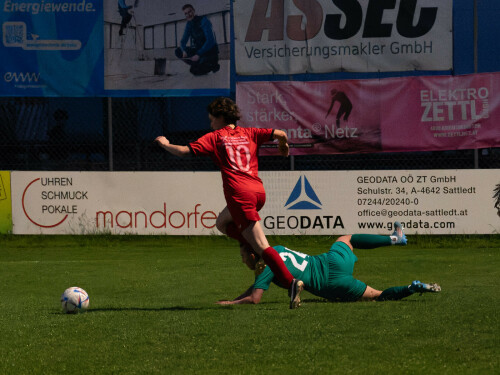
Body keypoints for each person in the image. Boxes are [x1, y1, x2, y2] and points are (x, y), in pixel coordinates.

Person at [155, 97, 304, 309]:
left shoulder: (216, 137)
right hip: (257, 191)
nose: (210, 124)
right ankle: (250, 246)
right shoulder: (250, 132)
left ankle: (291, 283)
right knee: (221, 223)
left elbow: (183, 151)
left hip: (239, 194)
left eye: (211, 119)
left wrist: (165, 143)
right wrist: (284, 145)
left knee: (263, 246)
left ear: (220, 118)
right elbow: (281, 134)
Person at [217, 222, 441, 306]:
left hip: (332, 284)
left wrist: (230, 304)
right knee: (347, 239)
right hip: (332, 261)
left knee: (378, 296)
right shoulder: (274, 250)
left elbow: (255, 297)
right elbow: (254, 288)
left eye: (243, 256)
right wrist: (235, 297)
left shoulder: (265, 266)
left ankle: (411, 288)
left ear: (254, 256)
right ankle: (396, 239)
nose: (242, 260)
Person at [175, 4, 220, 76]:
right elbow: (183, 41)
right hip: (198, 50)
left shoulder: (204, 20)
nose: (188, 15)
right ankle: (198, 63)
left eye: (189, 12)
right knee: (178, 51)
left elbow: (211, 41)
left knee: (195, 71)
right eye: (186, 13)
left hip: (209, 51)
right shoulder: (189, 24)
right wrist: (183, 50)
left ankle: (211, 64)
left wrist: (198, 54)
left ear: (194, 11)